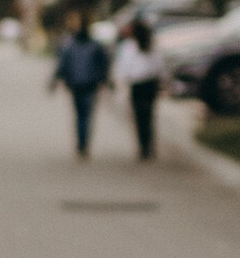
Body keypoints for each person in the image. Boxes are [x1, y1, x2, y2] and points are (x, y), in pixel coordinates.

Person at [50, 9, 109, 155]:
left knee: (79, 115)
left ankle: (81, 143)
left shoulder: (71, 45)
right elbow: (104, 65)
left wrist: (56, 79)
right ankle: (84, 142)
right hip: (90, 85)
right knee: (86, 115)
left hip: (76, 84)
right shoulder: (95, 45)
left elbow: (63, 64)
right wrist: (104, 79)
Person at [117, 10, 164, 162]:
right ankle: (149, 145)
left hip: (137, 85)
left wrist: (123, 80)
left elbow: (124, 68)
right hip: (151, 84)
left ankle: (143, 147)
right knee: (149, 115)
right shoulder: (152, 45)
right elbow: (159, 66)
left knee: (139, 117)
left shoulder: (129, 47)